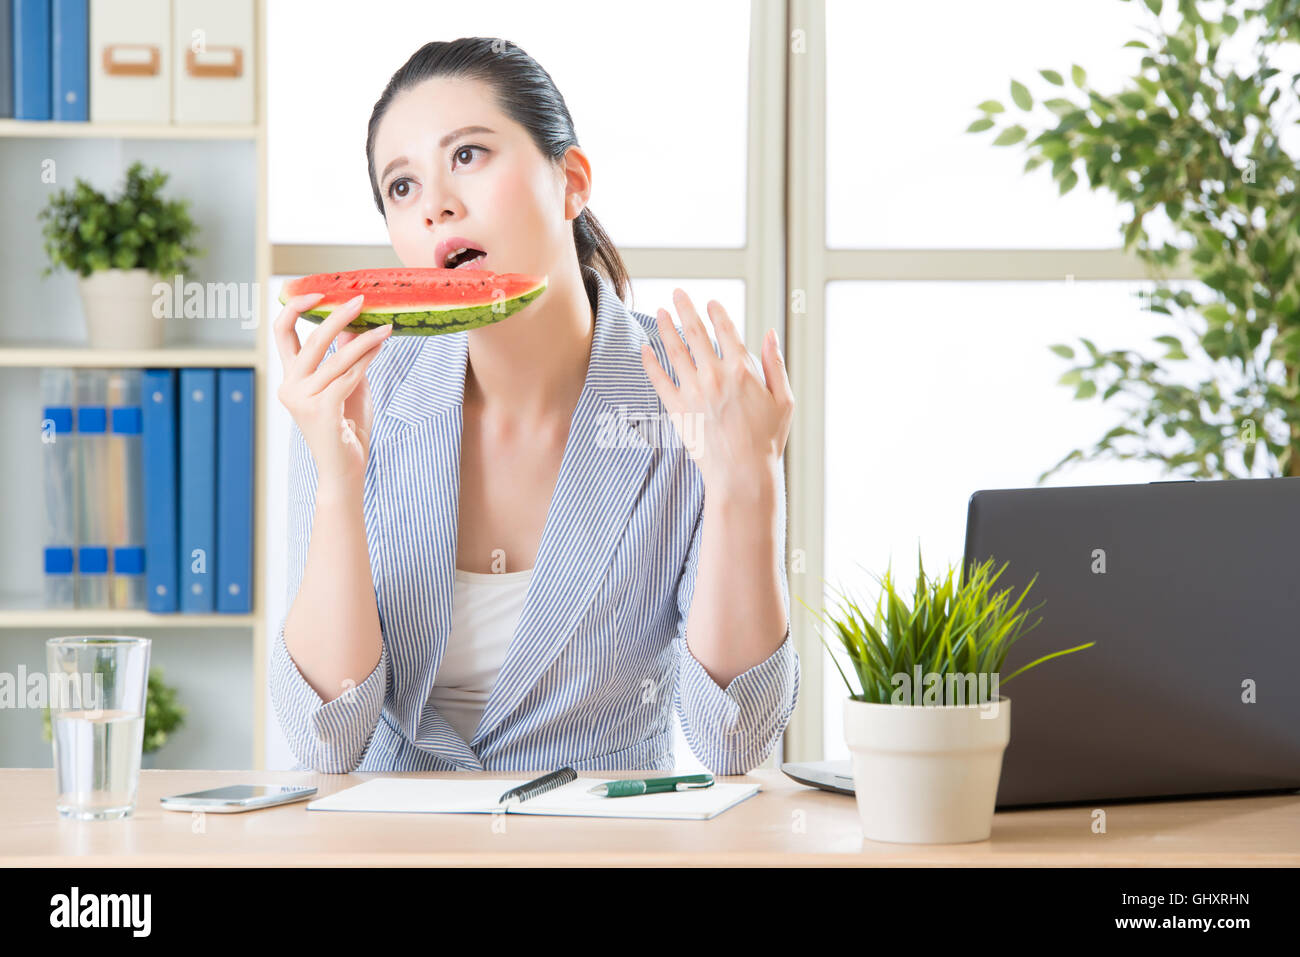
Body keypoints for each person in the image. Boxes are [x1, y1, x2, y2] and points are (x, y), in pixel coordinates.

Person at [270, 37, 798, 774]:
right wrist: (337, 483)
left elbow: (735, 741)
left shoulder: (689, 398)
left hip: (602, 839)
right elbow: (327, 739)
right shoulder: (359, 391)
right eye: (401, 186)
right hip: (393, 837)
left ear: (572, 180)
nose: (437, 206)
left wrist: (749, 484)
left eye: (467, 156)